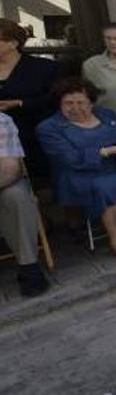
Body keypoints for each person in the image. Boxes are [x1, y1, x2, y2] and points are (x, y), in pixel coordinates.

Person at [36, 77, 116, 257]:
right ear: (59, 103)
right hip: (79, 175)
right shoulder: (49, 128)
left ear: (91, 102)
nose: (75, 108)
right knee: (106, 189)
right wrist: (112, 150)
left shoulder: (107, 114)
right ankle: (115, 237)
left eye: (80, 102)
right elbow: (71, 159)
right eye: (68, 103)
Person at [0, 19, 60, 175]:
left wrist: (21, 103)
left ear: (13, 43)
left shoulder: (44, 67)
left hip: (34, 136)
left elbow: (55, 98)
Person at [0, 111, 50, 296]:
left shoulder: (1, 120)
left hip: (3, 181)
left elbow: (9, 168)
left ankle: (28, 266)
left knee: (16, 196)